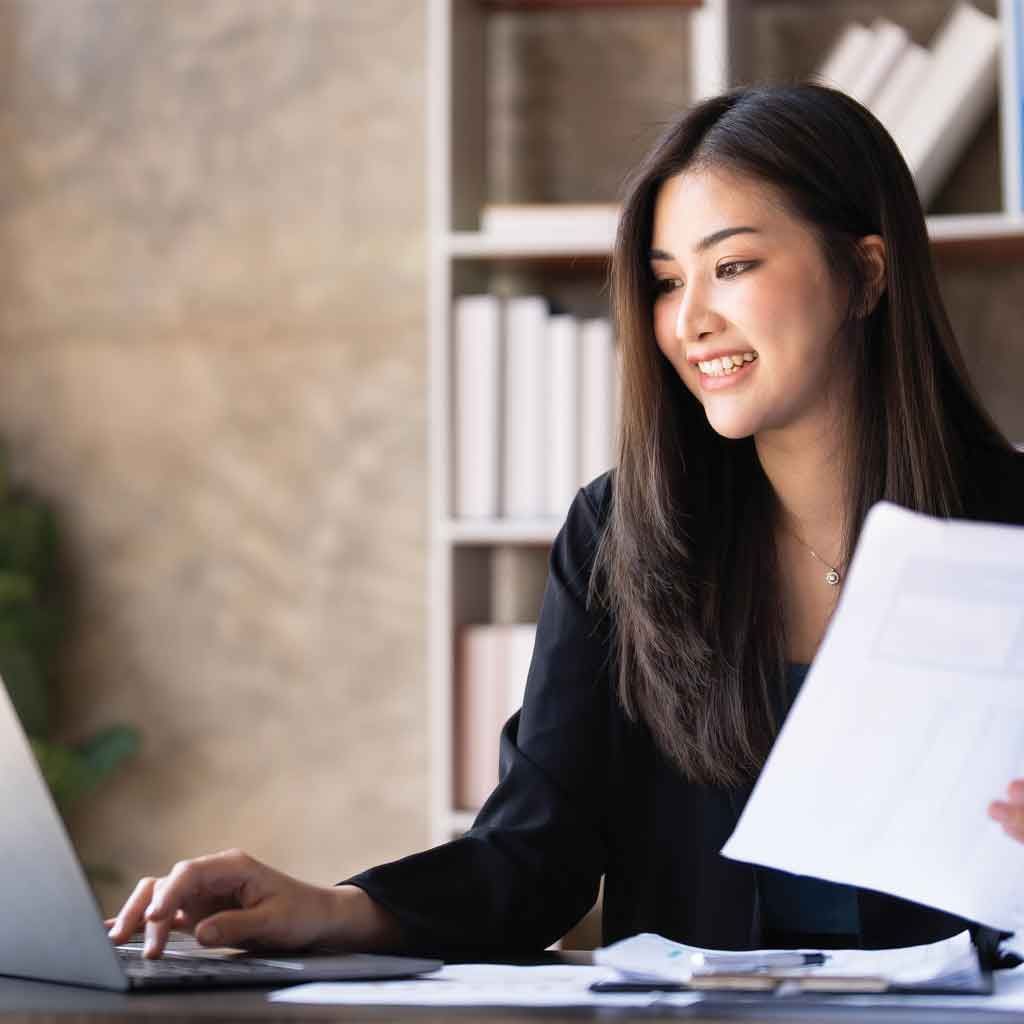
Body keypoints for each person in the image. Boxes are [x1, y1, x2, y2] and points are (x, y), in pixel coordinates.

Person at [107, 82, 1024, 961]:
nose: (690, 321)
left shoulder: (1010, 531)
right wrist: (330, 909)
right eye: (666, 283)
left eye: (734, 266)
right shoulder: (622, 533)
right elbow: (532, 860)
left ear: (865, 272)